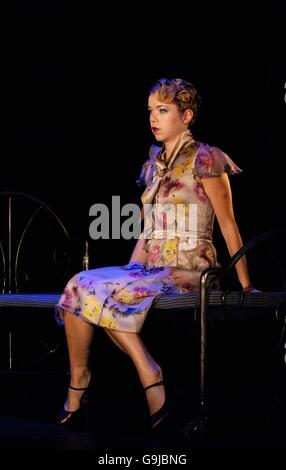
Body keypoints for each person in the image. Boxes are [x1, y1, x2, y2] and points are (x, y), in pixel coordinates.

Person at [55, 78, 257, 429]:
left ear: (187, 115)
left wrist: (245, 284)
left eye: (163, 110)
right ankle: (85, 380)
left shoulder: (206, 158)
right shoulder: (154, 165)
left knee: (102, 294)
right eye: (151, 111)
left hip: (192, 268)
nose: (154, 118)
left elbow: (228, 223)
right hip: (155, 267)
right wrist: (132, 268)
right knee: (79, 284)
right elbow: (149, 231)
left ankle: (148, 376)